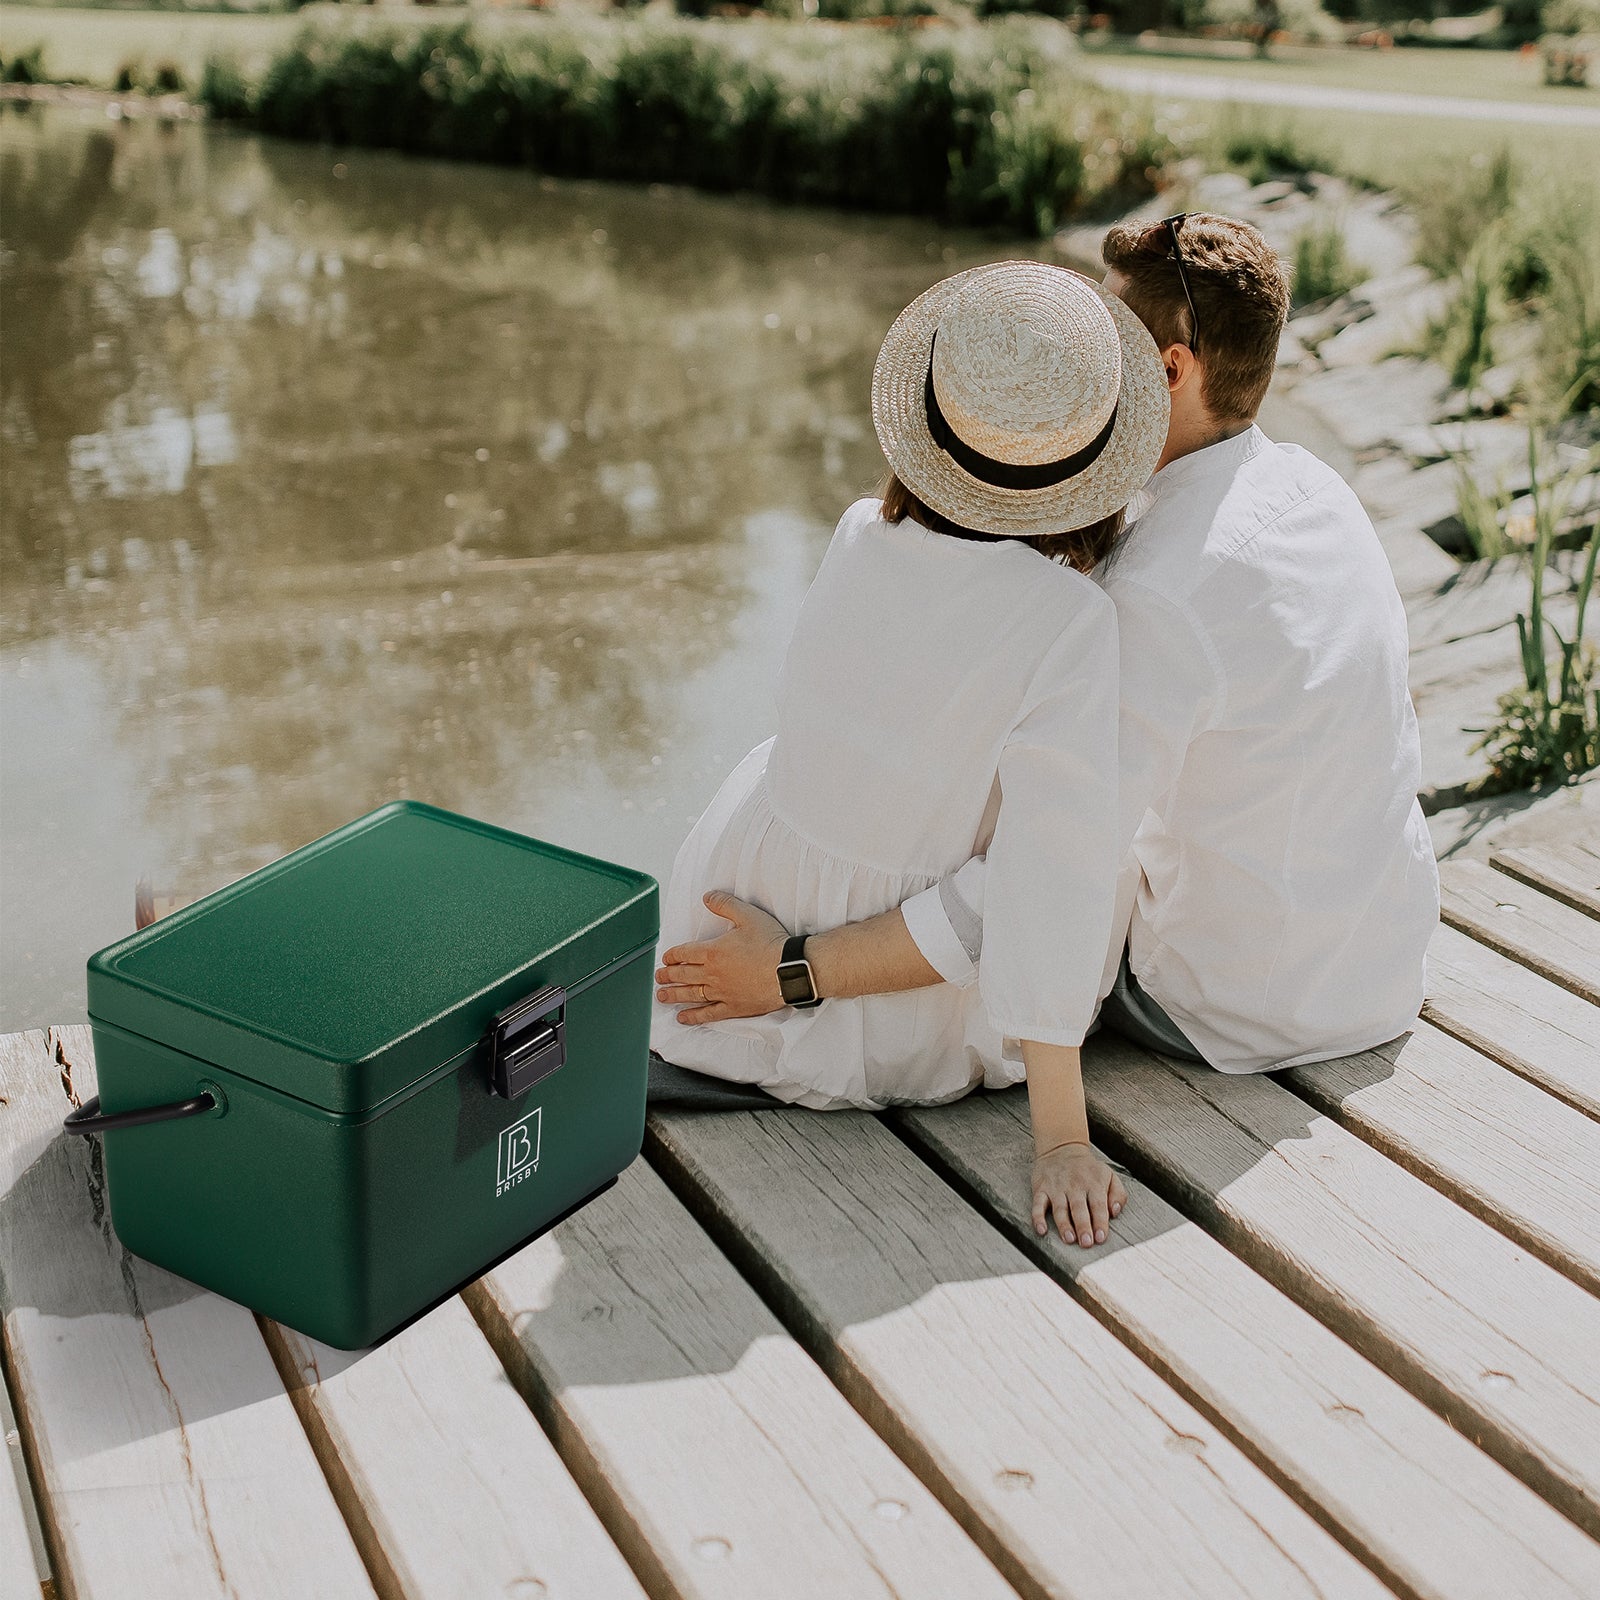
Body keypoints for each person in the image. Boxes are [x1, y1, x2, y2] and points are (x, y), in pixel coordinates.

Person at [656, 215, 1441, 1225]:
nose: (1074, 364)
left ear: (1163, 372)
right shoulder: (1318, 492)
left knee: (1020, 816)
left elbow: (1040, 881)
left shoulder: (1143, 596)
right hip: (1376, 960)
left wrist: (792, 971)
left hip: (1228, 1010)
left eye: (1097, 347)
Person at [651, 259, 1173, 1250]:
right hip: (875, 1023)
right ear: (1093, 460)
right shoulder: (1071, 620)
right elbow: (1045, 880)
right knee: (1104, 841)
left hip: (735, 909)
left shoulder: (859, 531)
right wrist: (1061, 1134)